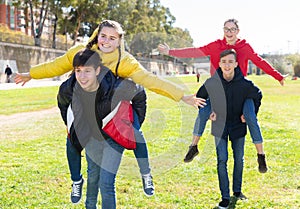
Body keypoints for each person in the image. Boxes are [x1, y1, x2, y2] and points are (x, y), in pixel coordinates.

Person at [15, 19, 205, 203]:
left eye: (112, 38)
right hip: (90, 112)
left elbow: (150, 80)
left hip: (115, 112)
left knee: (134, 135)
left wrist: (181, 95)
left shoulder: (125, 61)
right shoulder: (81, 52)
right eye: (103, 36)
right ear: (97, 35)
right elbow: (56, 65)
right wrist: (31, 74)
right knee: (75, 145)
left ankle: (145, 173)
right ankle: (77, 181)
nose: (106, 41)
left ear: (119, 41)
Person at [158, 18, 286, 172]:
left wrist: (278, 76)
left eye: (232, 29)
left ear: (238, 31)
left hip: (240, 91)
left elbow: (259, 61)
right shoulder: (215, 46)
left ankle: (261, 156)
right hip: (218, 91)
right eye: (226, 29)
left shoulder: (244, 47)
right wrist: (170, 52)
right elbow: (194, 51)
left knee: (250, 116)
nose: (229, 32)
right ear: (223, 30)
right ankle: (194, 146)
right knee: (203, 111)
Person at [58, 48, 147, 209]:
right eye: (78, 71)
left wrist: (136, 123)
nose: (82, 76)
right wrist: (74, 125)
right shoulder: (68, 88)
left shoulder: (116, 86)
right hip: (92, 137)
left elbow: (139, 93)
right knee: (93, 178)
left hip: (114, 138)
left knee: (106, 183)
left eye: (87, 71)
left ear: (97, 70)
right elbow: (63, 106)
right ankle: (81, 190)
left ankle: (146, 174)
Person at [197, 49, 262, 208]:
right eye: (224, 62)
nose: (227, 65)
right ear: (219, 64)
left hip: (238, 127)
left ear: (236, 64)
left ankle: (237, 191)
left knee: (239, 160)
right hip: (219, 126)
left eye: (230, 62)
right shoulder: (212, 82)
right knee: (222, 160)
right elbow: (200, 98)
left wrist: (250, 115)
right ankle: (225, 197)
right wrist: (209, 111)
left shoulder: (245, 84)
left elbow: (258, 95)